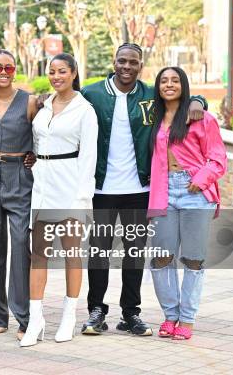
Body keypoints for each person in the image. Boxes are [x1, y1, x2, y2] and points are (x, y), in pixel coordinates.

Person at [80, 43, 207, 337]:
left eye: (133, 62)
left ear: (140, 65)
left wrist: (198, 100)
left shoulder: (150, 94)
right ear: (114, 62)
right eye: (122, 61)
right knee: (99, 250)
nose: (126, 66)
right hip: (102, 188)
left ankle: (130, 313)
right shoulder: (92, 93)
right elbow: (66, 104)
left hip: (140, 188)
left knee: (134, 251)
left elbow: (181, 96)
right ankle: (96, 310)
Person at [20, 53, 98, 347]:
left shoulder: (84, 110)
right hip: (42, 185)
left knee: (71, 253)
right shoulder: (43, 106)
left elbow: (89, 157)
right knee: (38, 253)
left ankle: (69, 316)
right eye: (52, 71)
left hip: (70, 186)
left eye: (62, 71)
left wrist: (82, 197)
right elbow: (38, 143)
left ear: (74, 73)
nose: (56, 76)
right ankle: (36, 318)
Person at [148, 67, 226, 340]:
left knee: (193, 259)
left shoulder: (201, 117)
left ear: (184, 85)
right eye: (163, 81)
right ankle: (171, 314)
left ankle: (188, 318)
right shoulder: (153, 117)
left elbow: (218, 159)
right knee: (160, 258)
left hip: (194, 192)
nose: (169, 84)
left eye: (175, 80)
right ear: (157, 87)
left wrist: (202, 179)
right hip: (162, 191)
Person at [0, 50, 39, 340]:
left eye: (8, 67)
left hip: (20, 175)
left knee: (20, 245)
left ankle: (25, 317)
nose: (3, 71)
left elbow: (46, 133)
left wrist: (35, 156)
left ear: (15, 70)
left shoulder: (30, 102)